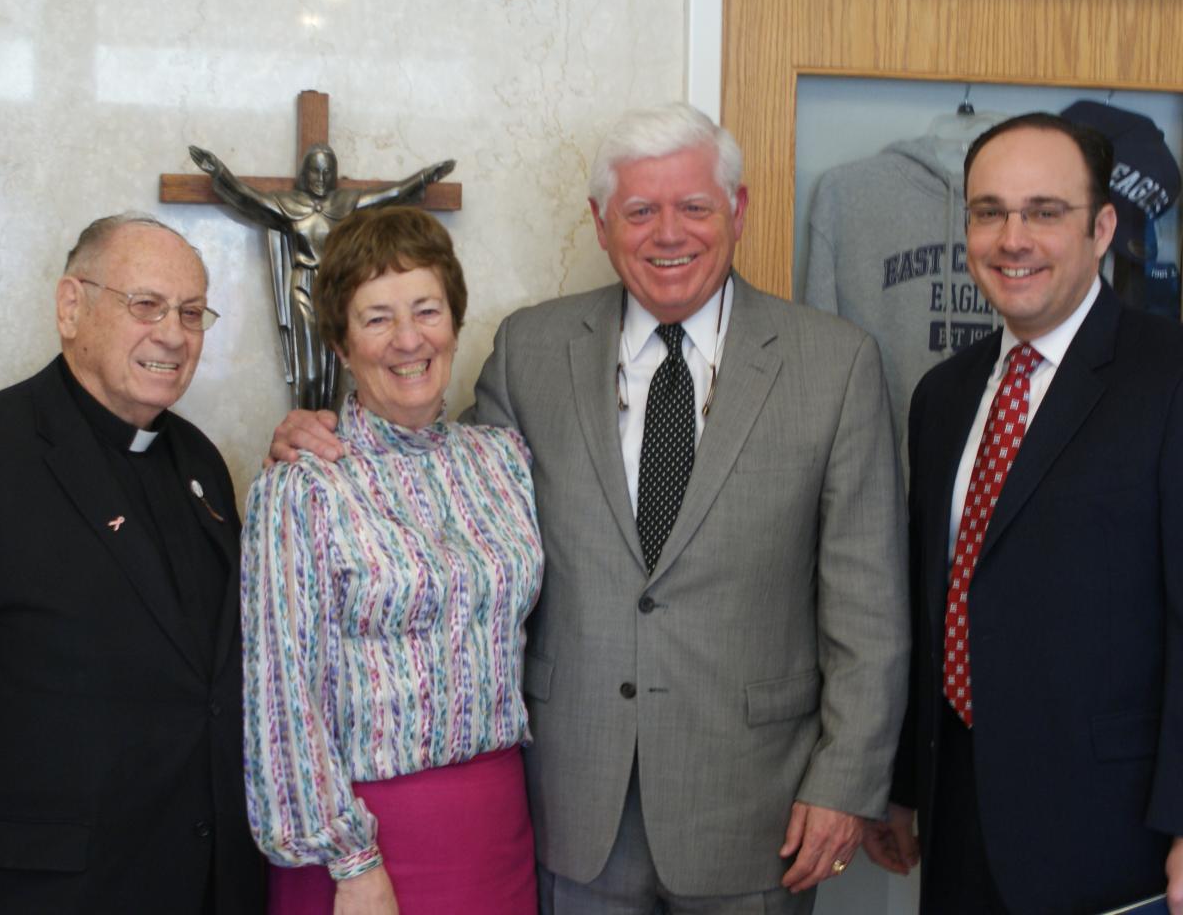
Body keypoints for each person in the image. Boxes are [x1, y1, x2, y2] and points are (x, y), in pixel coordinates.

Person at [272, 104, 908, 914]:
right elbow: (439, 497)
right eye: (640, 211)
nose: (667, 233)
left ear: (738, 211)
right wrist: (319, 427)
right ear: (602, 224)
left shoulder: (835, 363)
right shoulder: (533, 349)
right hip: (570, 808)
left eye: (694, 208)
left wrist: (847, 781)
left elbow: (870, 604)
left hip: (757, 806)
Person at [863, 112, 1183, 915]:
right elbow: (935, 600)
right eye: (989, 212)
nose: (1014, 238)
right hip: (958, 813)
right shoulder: (943, 395)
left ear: (1103, 227)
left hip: (1115, 831)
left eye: (1045, 212)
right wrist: (904, 781)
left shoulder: (1169, 375)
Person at [241, 206, 543, 914]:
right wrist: (351, 860)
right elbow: (282, 694)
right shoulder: (303, 483)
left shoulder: (504, 459)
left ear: (456, 323)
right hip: (366, 840)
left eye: (426, 310)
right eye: (377, 318)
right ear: (341, 345)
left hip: (499, 822)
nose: (408, 340)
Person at [0, 213, 264, 912]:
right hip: (55, 886)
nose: (173, 333)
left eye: (192, 312)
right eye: (146, 305)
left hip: (210, 879)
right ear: (71, 306)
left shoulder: (199, 458)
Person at [189, 142, 454, 410]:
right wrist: (219, 172)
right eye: (315, 172)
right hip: (303, 286)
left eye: (327, 172)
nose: (321, 178)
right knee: (312, 374)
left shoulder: (346, 204)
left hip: (336, 293)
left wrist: (425, 177)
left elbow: (391, 195)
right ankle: (307, 421)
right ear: (305, 174)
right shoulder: (290, 205)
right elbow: (248, 198)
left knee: (336, 375)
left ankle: (328, 425)